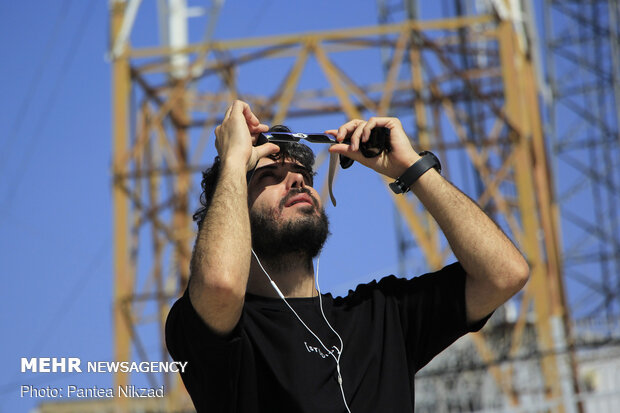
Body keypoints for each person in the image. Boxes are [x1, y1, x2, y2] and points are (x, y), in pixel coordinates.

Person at [165, 100, 530, 413]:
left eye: (302, 173)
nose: (297, 181)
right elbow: (219, 284)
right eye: (270, 175)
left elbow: (504, 274)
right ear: (235, 210)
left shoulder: (381, 315)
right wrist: (232, 161)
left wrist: (411, 168)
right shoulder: (221, 330)